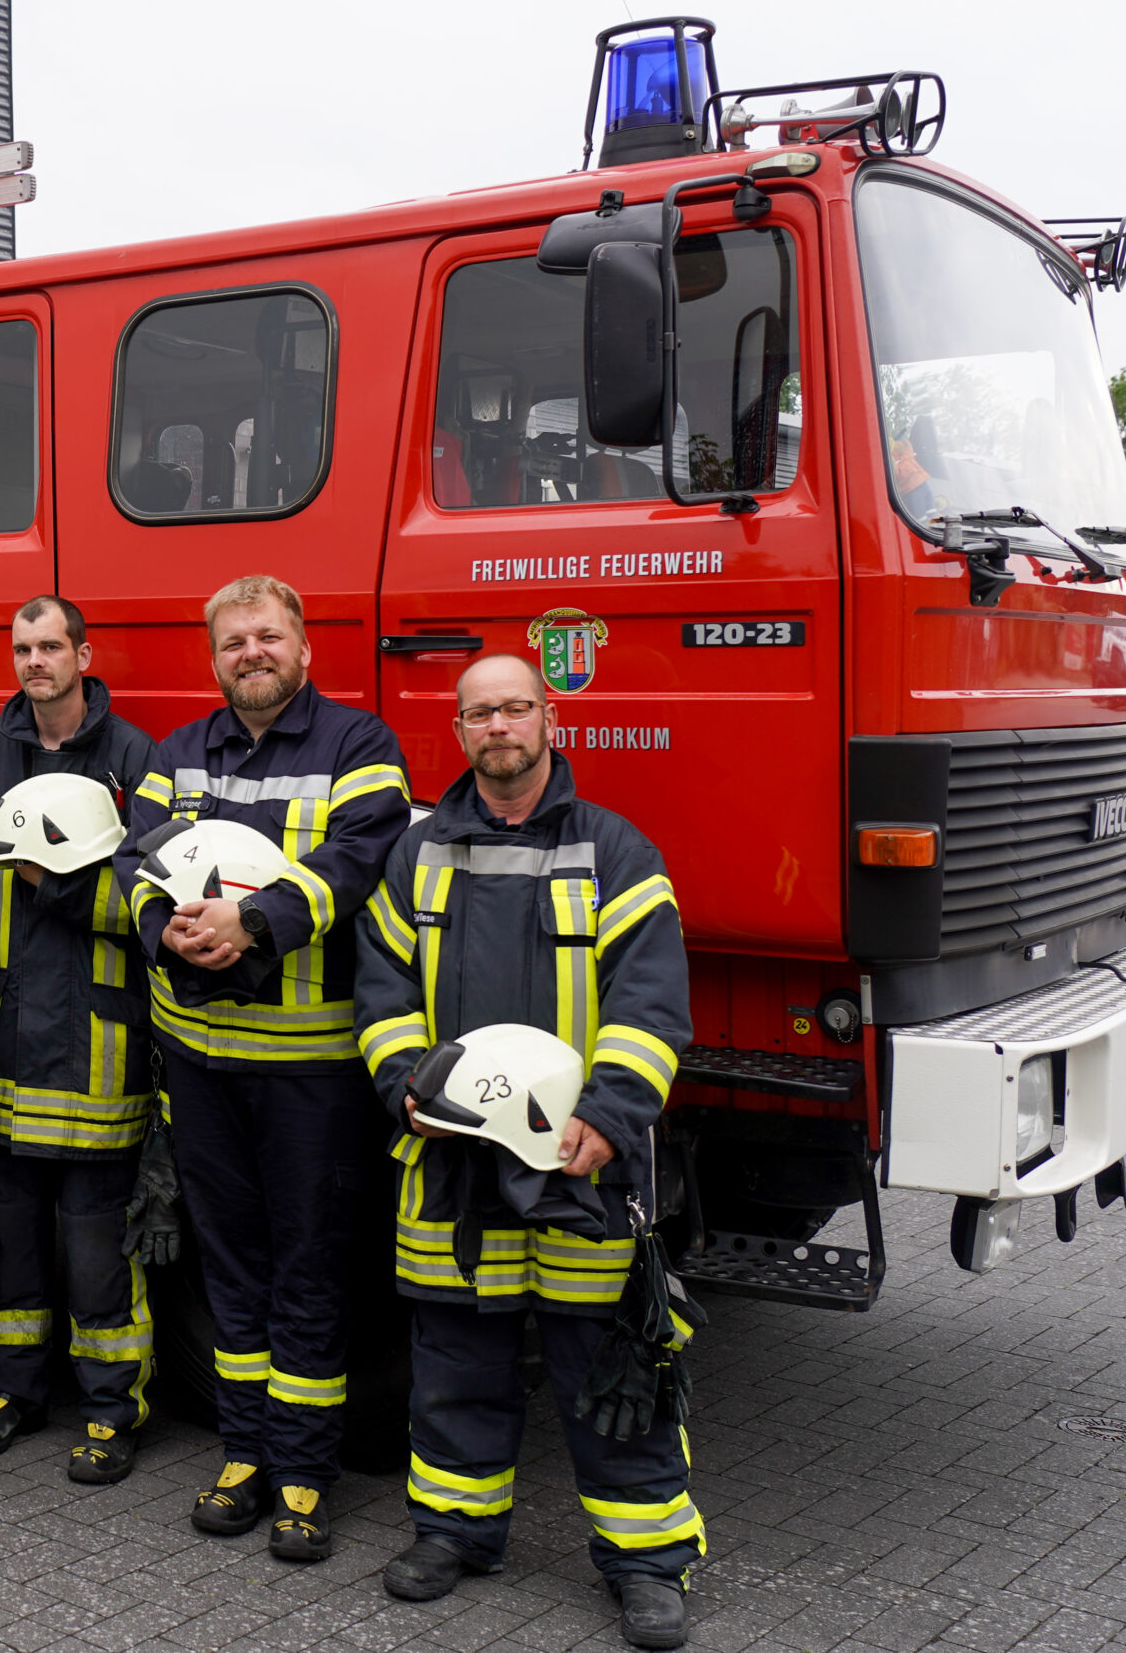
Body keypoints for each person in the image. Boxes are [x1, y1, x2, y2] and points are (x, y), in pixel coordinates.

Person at [355, 652, 700, 1647]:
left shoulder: (616, 852)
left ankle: (645, 1561)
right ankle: (454, 1534)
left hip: (580, 1166)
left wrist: (612, 1111)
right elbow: (379, 997)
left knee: (613, 1365)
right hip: (453, 1167)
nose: (496, 727)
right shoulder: (416, 856)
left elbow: (649, 1006)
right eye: (477, 714)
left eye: (513, 708)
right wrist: (405, 1089)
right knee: (456, 1359)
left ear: (548, 718)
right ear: (458, 733)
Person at [113, 575, 410, 1563]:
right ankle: (244, 1455)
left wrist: (250, 924)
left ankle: (304, 1475)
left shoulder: (358, 746)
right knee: (231, 1272)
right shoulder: (176, 755)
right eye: (233, 641)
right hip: (199, 1066)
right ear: (214, 659)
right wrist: (169, 935)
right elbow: (131, 867)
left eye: (268, 636)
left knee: (312, 1273)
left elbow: (358, 859)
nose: (251, 652)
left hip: (309, 1079)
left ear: (303, 649)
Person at [0, 596, 159, 1483]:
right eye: (22, 648)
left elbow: (151, 891)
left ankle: (114, 1407)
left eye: (50, 646)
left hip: (94, 1044)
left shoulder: (134, 755)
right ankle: (12, 1392)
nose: (36, 661)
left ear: (83, 652)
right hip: (2, 1040)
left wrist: (63, 887)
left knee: (95, 1250)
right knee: (10, 1240)